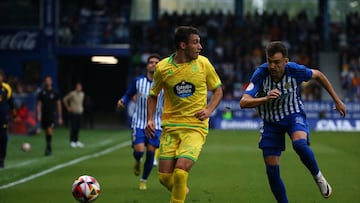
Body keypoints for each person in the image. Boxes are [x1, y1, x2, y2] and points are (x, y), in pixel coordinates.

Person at [240, 41, 346, 203]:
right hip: (270, 122)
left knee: (299, 144)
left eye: (276, 62)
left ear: (285, 61)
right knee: (272, 171)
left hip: (292, 114)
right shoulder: (260, 74)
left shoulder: (295, 70)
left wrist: (337, 100)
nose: (272, 66)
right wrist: (265, 98)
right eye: (269, 61)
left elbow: (318, 75)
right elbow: (243, 102)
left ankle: (318, 177)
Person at [145, 26, 223, 203]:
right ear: (182, 45)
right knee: (165, 178)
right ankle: (180, 192)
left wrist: (209, 110)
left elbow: (218, 91)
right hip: (170, 127)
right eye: (195, 42)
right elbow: (153, 95)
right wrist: (150, 119)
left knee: (180, 172)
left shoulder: (204, 64)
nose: (200, 46)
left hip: (195, 127)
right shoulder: (163, 68)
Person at [117, 54, 164, 190]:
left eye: (156, 62)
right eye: (151, 62)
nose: (154, 64)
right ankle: (137, 160)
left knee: (150, 152)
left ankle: (143, 180)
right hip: (139, 122)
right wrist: (123, 101)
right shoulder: (138, 81)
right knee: (139, 151)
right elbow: (128, 94)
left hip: (156, 123)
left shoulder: (164, 84)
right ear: (147, 66)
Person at [37, 76, 63, 156]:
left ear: (51, 82)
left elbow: (59, 105)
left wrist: (60, 117)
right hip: (44, 114)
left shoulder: (55, 92)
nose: (48, 82)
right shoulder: (42, 93)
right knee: (46, 131)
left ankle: (48, 146)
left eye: (49, 80)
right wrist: (39, 114)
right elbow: (39, 104)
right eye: (46, 81)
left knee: (49, 129)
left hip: (52, 114)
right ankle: (48, 145)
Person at [0, 69, 15, 168]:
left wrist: (14, 115)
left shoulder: (7, 88)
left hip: (3, 118)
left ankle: (1, 159)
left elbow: (11, 103)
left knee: (3, 139)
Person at [63, 82, 85, 148]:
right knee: (73, 127)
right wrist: (68, 107)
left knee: (78, 127)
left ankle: (76, 141)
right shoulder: (72, 93)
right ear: (76, 87)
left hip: (79, 113)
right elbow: (64, 100)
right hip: (73, 113)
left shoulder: (82, 94)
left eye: (80, 87)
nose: (79, 88)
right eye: (78, 87)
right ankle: (72, 141)